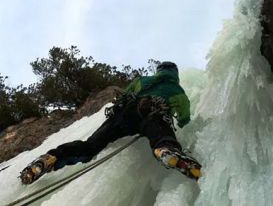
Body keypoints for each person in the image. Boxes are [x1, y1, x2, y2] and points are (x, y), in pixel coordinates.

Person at [20, 61, 201, 185]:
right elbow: (184, 118)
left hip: (121, 115)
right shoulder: (177, 91)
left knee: (89, 147)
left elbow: (125, 93)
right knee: (161, 137)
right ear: (175, 75)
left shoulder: (142, 80)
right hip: (150, 114)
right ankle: (167, 151)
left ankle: (53, 157)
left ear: (159, 71)